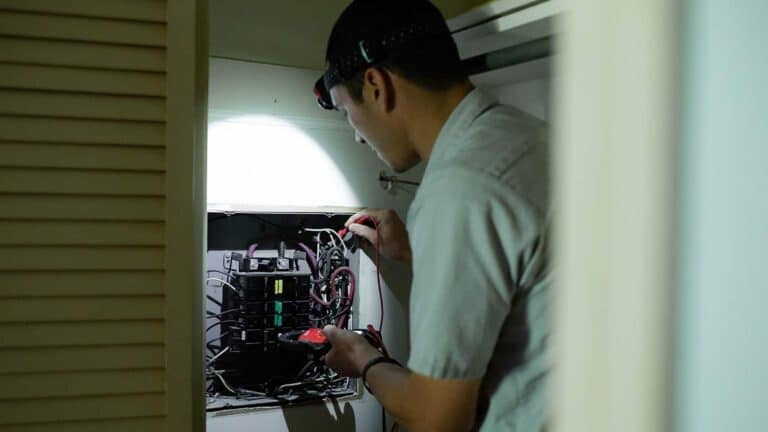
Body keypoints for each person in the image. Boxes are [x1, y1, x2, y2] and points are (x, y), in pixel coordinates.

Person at [314, 1, 551, 431]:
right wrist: (419, 249)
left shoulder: (459, 189)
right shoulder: (530, 138)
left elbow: (438, 418)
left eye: (348, 112)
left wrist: (363, 360)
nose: (356, 135)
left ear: (375, 85)